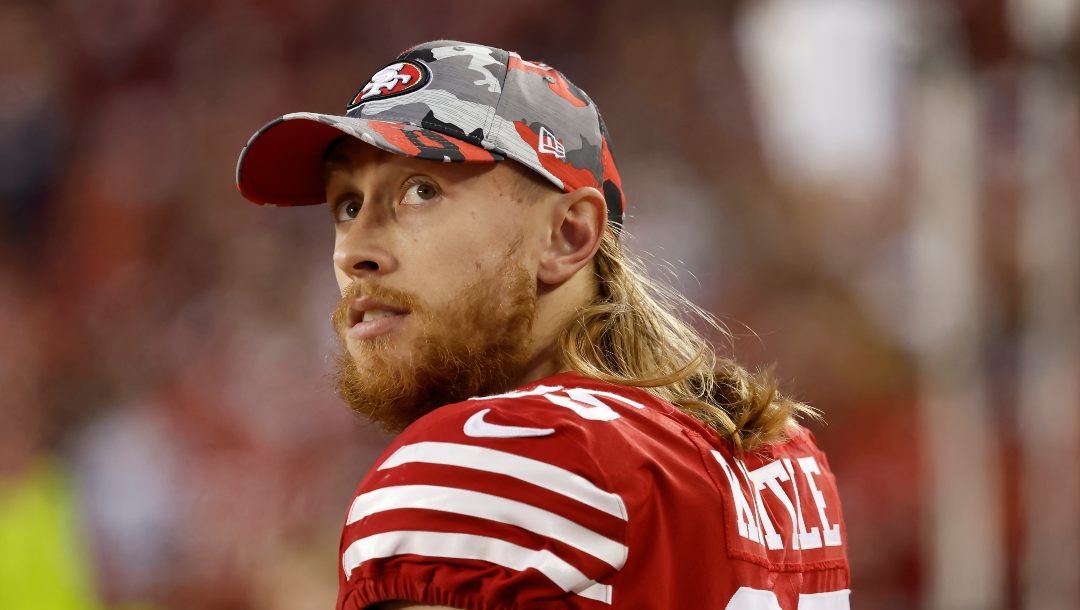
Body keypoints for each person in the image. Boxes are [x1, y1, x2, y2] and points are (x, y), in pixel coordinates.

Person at [235, 40, 850, 610]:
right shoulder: (779, 457)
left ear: (567, 234)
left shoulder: (472, 464)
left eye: (419, 191)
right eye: (347, 205)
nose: (353, 253)